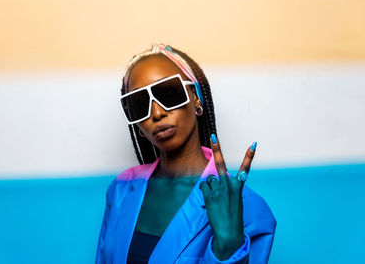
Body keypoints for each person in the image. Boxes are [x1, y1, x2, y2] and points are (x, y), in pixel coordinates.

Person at [96, 43, 276, 264]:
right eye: (140, 104)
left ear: (196, 98)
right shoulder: (121, 188)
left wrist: (227, 249)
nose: (157, 112)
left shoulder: (247, 206)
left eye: (169, 93)